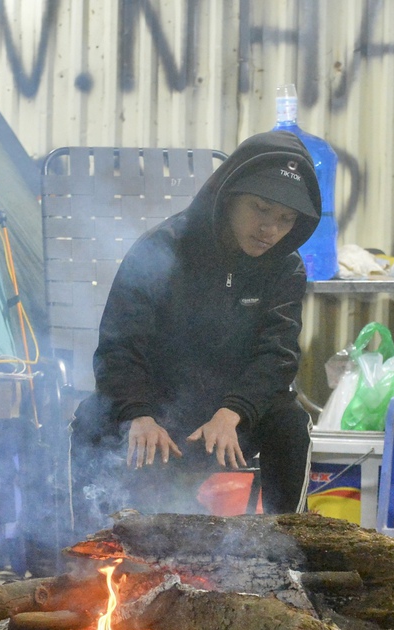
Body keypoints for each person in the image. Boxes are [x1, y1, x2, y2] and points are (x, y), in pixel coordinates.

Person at [70, 131, 321, 532]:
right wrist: (139, 414)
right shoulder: (163, 248)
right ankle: (88, 559)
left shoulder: (284, 267)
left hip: (231, 423)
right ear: (228, 194)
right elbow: (119, 345)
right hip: (158, 420)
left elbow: (279, 356)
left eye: (285, 219)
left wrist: (233, 412)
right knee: (90, 418)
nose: (270, 229)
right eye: (261, 208)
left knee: (290, 423)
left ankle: (281, 552)